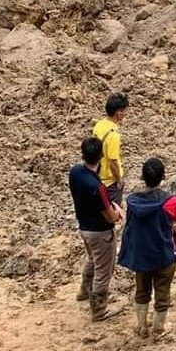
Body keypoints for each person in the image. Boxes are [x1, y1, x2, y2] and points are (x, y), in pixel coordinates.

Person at [119, 158, 176, 339]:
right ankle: (158, 329)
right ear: (163, 177)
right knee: (162, 293)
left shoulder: (132, 201)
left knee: (142, 290)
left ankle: (142, 327)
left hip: (142, 256)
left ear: (142, 177)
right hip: (164, 255)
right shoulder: (172, 202)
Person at [69, 137, 124, 321]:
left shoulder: (75, 172)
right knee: (103, 269)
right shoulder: (98, 187)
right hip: (101, 232)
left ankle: (84, 291)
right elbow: (109, 216)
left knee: (91, 259)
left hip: (84, 227)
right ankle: (99, 309)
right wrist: (117, 212)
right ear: (101, 156)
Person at [92, 93, 129, 206]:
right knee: (112, 213)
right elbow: (113, 161)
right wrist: (119, 180)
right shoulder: (113, 135)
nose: (126, 114)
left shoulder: (99, 125)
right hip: (109, 181)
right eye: (124, 111)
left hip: (97, 176)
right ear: (118, 112)